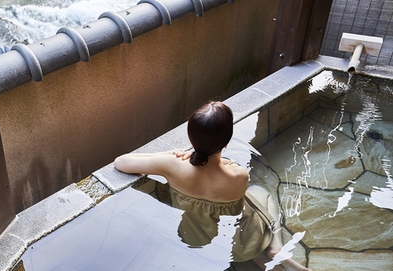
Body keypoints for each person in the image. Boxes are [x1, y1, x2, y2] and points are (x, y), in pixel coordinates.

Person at [114, 101, 311, 271]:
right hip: (242, 242)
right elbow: (219, 165)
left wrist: (169, 155)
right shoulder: (238, 175)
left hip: (198, 243)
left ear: (191, 138)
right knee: (260, 193)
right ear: (226, 142)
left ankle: (262, 256)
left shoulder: (173, 167)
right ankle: (273, 248)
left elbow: (120, 162)